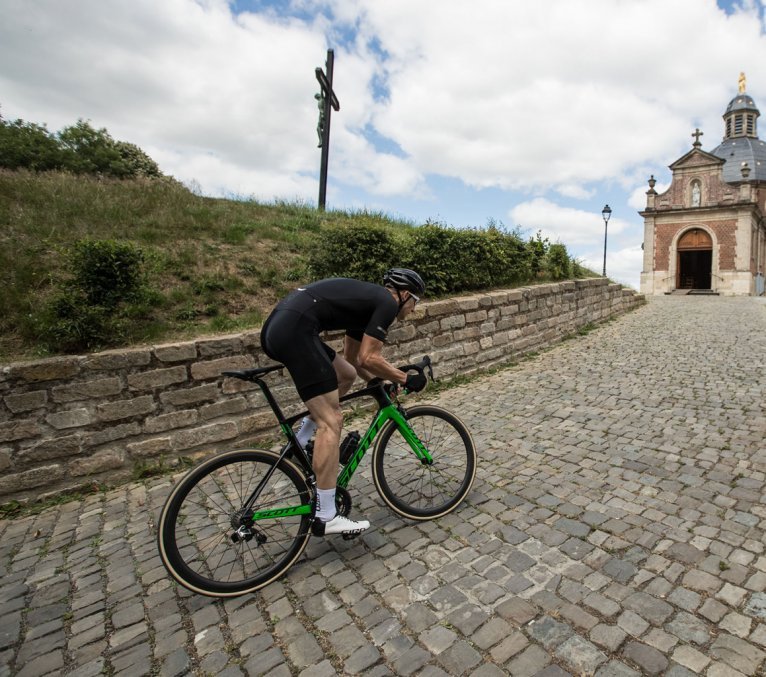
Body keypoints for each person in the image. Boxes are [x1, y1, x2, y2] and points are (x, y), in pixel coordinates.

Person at [259, 268, 427, 536]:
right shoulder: (386, 303)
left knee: (344, 375)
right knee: (332, 421)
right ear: (405, 295)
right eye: (415, 302)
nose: (414, 310)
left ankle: (300, 443)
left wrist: (378, 383)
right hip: (295, 329)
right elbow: (369, 358)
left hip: (282, 326)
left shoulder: (367, 303)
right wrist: (405, 379)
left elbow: (354, 361)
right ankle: (326, 515)